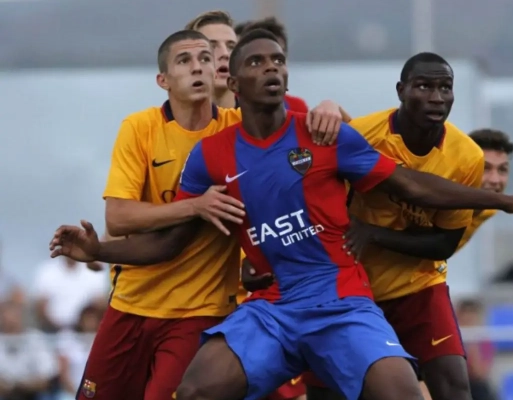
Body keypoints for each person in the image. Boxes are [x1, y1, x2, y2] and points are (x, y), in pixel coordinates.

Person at [49, 30, 513, 400]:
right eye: (256, 62)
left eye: (278, 61)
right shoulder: (210, 155)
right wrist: (99, 250)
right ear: (234, 81)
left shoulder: (323, 134)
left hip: (342, 301)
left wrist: (505, 201)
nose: (271, 68)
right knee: (198, 389)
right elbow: (169, 243)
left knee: (404, 392)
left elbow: (410, 183)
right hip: (272, 307)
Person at [80, 29, 343, 400]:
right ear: (163, 80)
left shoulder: (238, 129)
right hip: (130, 303)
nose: (199, 67)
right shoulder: (140, 128)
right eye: (185, 60)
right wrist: (194, 205)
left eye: (205, 58)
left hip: (201, 310)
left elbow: (313, 130)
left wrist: (331, 107)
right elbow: (118, 218)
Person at [455, 129, 513, 251]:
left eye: (502, 170)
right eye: (484, 168)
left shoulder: (489, 209)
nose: (495, 180)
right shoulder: (432, 201)